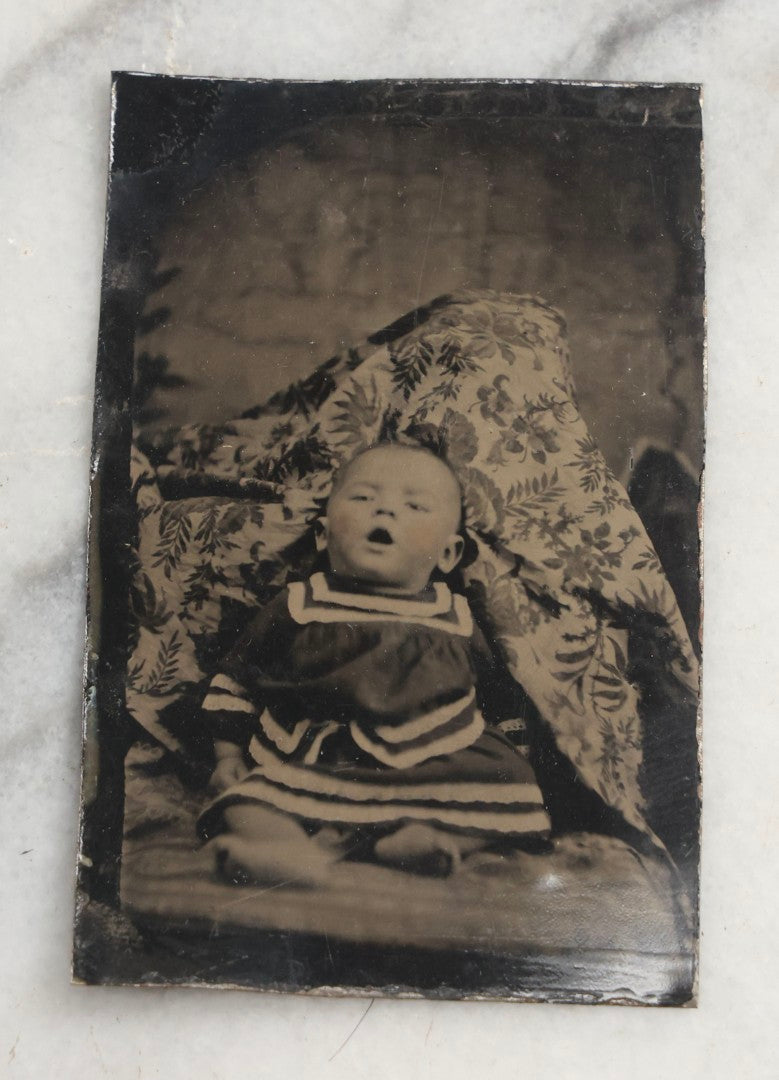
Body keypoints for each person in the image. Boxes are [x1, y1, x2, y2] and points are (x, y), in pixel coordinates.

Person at [197, 443, 551, 884]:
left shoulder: (456, 615)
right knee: (245, 798)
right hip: (324, 753)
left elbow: (498, 696)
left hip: (438, 752)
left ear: (448, 554)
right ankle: (288, 851)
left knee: (513, 783)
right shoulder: (301, 604)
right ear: (324, 535)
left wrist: (517, 752)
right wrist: (226, 755)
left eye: (414, 505)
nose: (385, 512)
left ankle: (426, 840)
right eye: (364, 498)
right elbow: (238, 679)